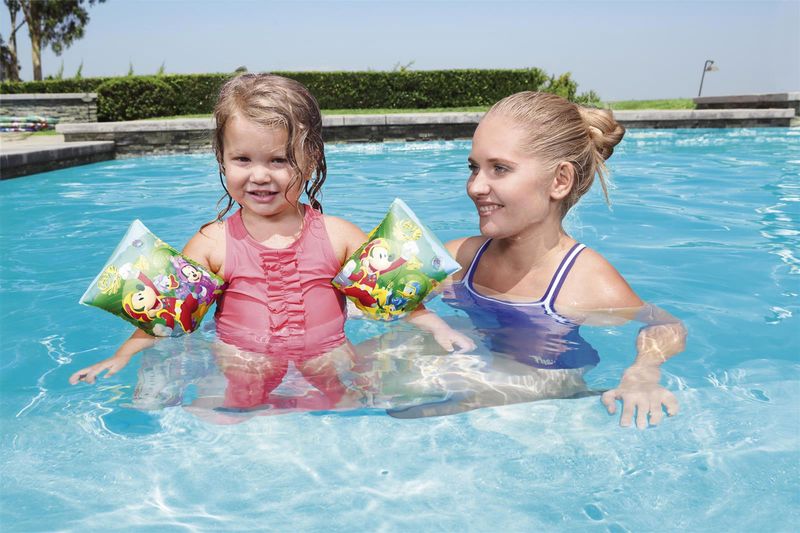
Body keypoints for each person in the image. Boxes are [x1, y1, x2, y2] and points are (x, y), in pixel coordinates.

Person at [69, 73, 473, 409]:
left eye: (279, 160)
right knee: (227, 415)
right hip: (241, 359)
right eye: (242, 159)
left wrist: (438, 329)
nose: (259, 176)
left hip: (328, 355)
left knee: (345, 403)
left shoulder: (337, 234)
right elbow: (166, 316)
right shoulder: (212, 242)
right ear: (222, 159)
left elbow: (394, 295)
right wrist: (121, 356)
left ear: (310, 160)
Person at [440, 91, 687, 428]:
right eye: (474, 168)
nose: (475, 187)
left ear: (559, 180)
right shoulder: (462, 258)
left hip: (542, 404)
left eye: (499, 168)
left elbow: (666, 325)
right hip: (479, 377)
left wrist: (642, 373)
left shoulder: (584, 282)